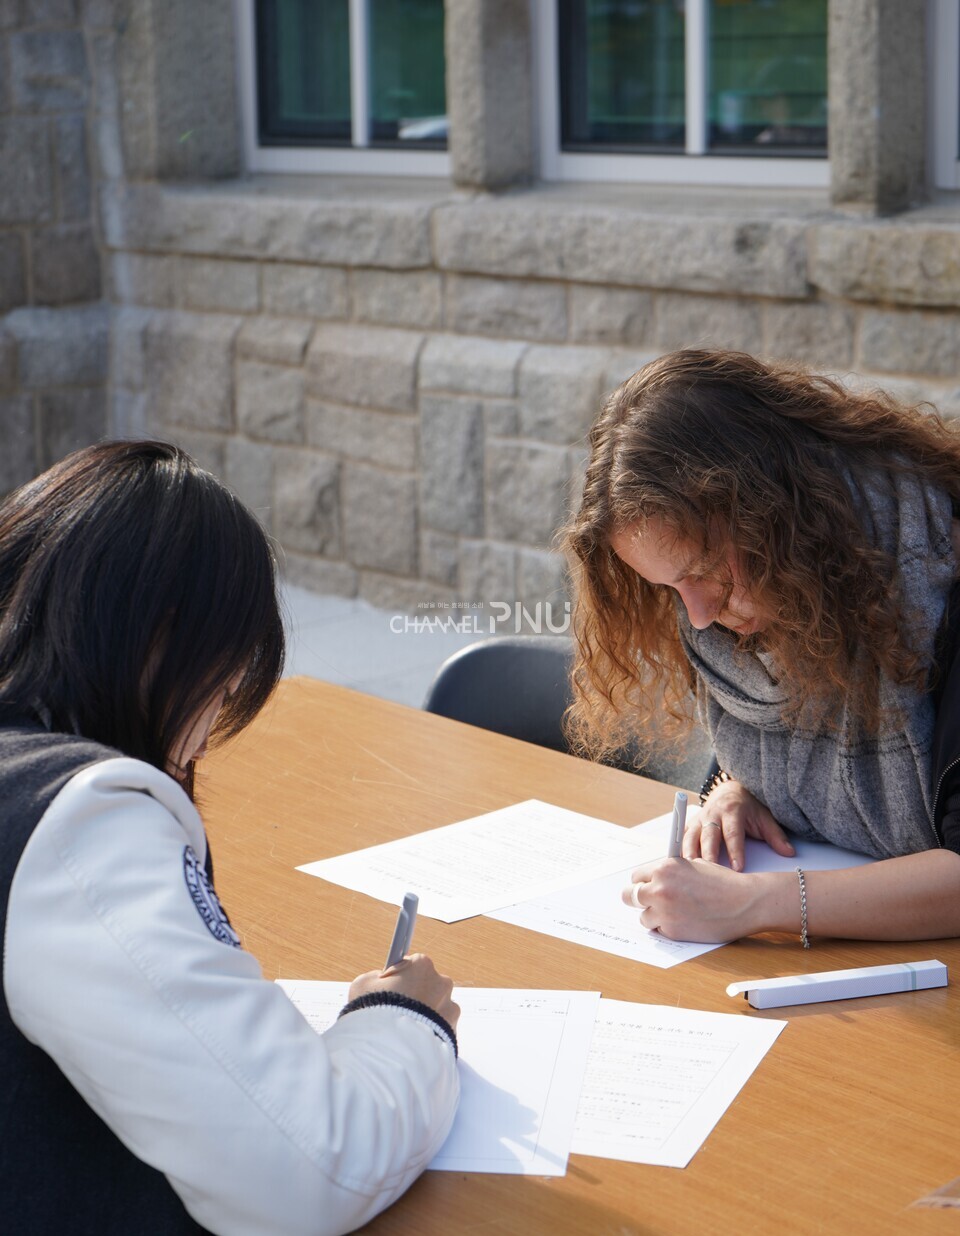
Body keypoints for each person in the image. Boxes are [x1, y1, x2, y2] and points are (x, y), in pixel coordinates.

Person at [0, 441, 460, 1236]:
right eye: (228, 676)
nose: (213, 729)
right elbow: (312, 1166)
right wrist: (401, 1021)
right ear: (167, 640)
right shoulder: (79, 822)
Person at [563, 348, 960, 947]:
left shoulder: (937, 580)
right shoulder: (759, 599)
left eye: (702, 572)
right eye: (669, 588)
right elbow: (766, 745)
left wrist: (759, 903)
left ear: (779, 522)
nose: (697, 617)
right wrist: (734, 788)